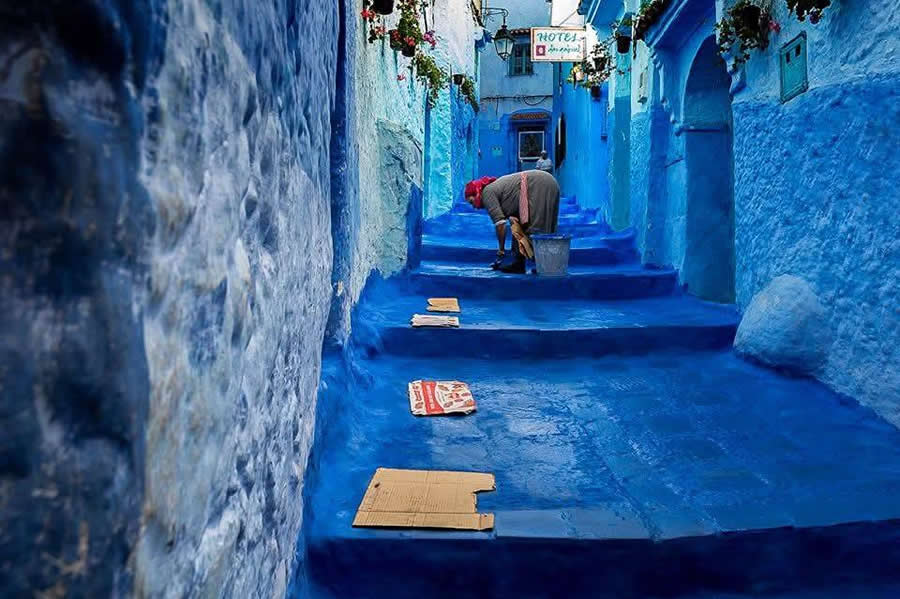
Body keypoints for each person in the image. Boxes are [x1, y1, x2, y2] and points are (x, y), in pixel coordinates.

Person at [464, 170, 560, 274]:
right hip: (544, 182)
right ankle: (519, 264)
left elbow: (500, 224)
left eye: (472, 202)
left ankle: (545, 267)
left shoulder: (487, 193)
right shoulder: (493, 190)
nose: (474, 207)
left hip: (539, 184)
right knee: (517, 226)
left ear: (477, 192)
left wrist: (501, 250)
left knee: (537, 228)